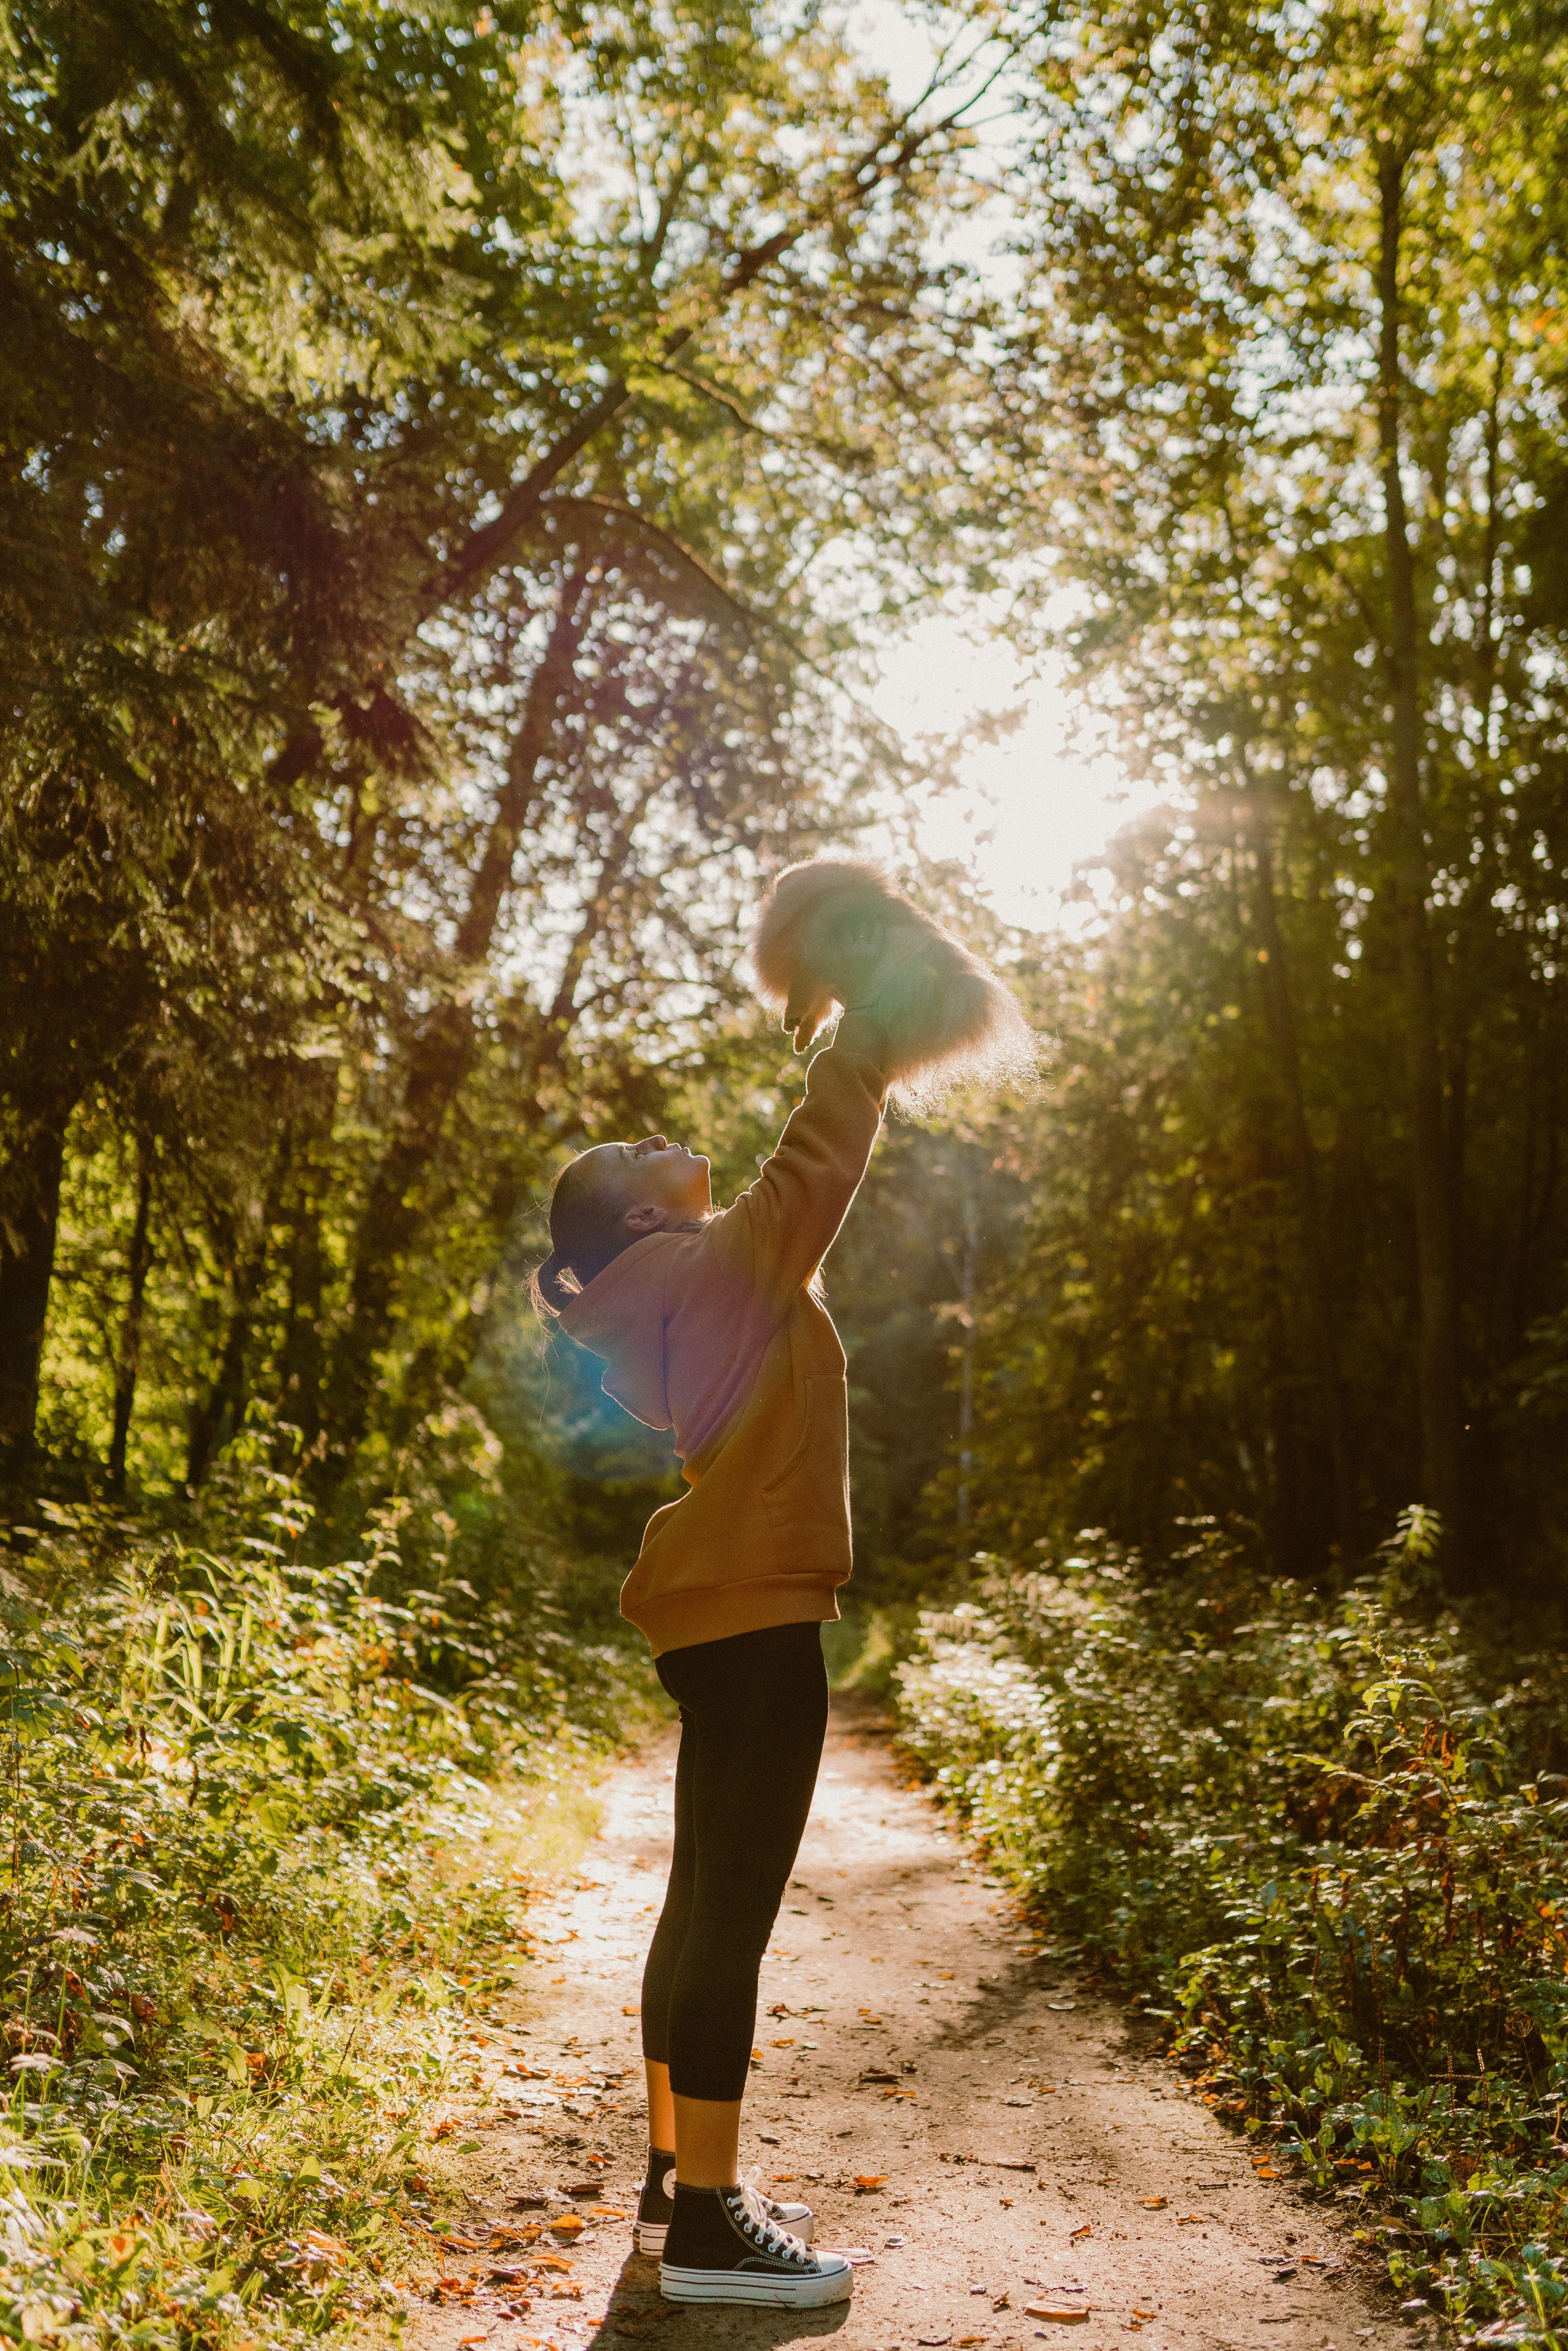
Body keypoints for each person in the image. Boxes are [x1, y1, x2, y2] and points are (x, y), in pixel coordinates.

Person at [532, 1001, 890, 2309]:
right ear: (640, 1218)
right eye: (639, 1145)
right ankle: (705, 2231)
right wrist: (863, 1026)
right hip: (754, 1617)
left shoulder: (664, 1286)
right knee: (726, 1918)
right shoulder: (704, 1268)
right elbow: (815, 1165)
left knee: (696, 1907)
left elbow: (783, 1196)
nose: (660, 1131)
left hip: (723, 1610)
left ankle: (673, 2181)